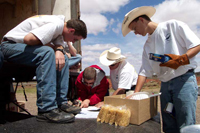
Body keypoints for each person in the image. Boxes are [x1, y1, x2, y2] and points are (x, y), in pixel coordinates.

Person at [122, 6, 200, 133]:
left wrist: (180, 60)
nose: (135, 33)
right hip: (165, 85)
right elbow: (144, 72)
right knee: (168, 125)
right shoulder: (147, 45)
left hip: (184, 81)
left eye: (134, 29)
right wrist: (135, 94)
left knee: (186, 125)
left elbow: (196, 44)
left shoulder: (172, 26)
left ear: (141, 20)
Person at [0, 15, 87, 123]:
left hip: (22, 48)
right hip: (9, 46)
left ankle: (61, 103)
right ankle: (46, 109)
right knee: (46, 52)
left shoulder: (60, 31)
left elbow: (59, 46)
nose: (73, 42)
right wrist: (55, 49)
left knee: (62, 57)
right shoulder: (55, 25)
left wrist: (59, 50)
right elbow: (29, 39)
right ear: (71, 30)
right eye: (74, 39)